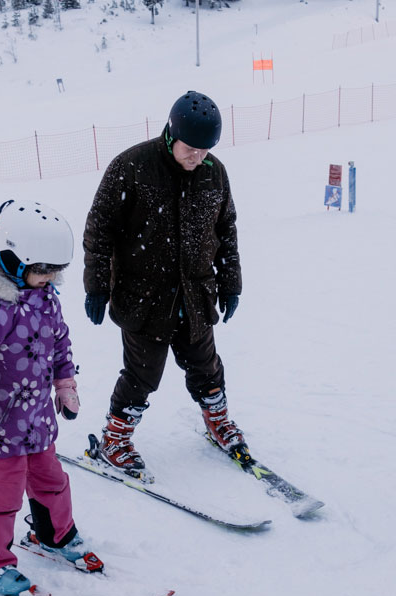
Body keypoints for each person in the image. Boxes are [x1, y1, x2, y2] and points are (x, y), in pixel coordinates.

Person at [0, 199, 102, 596]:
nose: (49, 278)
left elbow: (60, 342)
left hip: (38, 421)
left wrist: (65, 384)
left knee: (53, 481)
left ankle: (54, 533)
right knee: (2, 497)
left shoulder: (46, 297)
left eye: (54, 271)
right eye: (41, 269)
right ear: (12, 259)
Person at [82, 90, 246, 478]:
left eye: (207, 150)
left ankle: (217, 421)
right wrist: (97, 286)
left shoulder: (214, 172)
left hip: (196, 294)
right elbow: (99, 230)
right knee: (142, 376)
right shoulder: (132, 167)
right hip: (144, 299)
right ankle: (115, 439)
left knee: (207, 367)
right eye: (192, 149)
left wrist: (231, 283)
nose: (199, 157)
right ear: (172, 135)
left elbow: (227, 230)